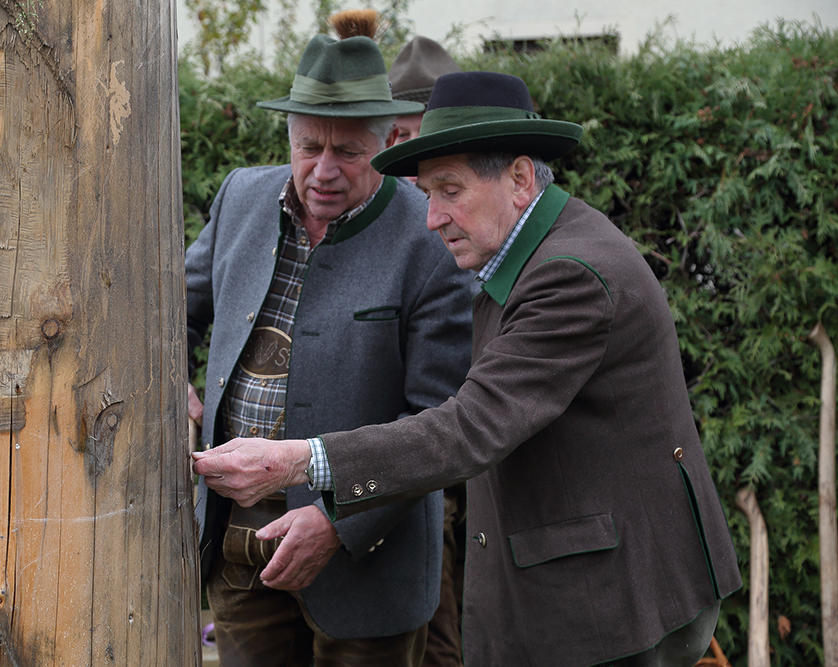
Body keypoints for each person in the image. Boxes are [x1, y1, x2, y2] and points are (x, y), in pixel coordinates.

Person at [193, 71, 744, 667]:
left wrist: (298, 461)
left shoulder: (570, 275)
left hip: (616, 603)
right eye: (428, 193)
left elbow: (469, 427)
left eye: (450, 191)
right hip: (597, 590)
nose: (432, 218)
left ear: (520, 179)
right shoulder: (530, 251)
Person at [186, 11, 473, 667]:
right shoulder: (241, 197)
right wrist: (175, 383)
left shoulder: (430, 238)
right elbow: (173, 308)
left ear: (388, 144)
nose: (323, 170)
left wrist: (337, 522)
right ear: (289, 135)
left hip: (369, 566)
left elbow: (439, 422)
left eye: (348, 152)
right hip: (239, 550)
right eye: (309, 146)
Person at [389, 35, 466, 667]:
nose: (411, 164)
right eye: (398, 141)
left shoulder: (478, 222)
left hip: (461, 461)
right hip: (389, 462)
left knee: (447, 633)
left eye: (424, 140)